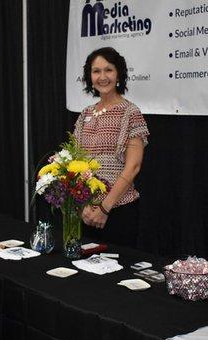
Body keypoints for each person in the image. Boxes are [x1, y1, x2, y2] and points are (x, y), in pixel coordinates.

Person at [74, 47, 150, 247]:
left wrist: (105, 208)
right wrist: (83, 206)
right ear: (89, 76)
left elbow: (133, 167)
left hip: (119, 211)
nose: (102, 76)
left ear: (119, 74)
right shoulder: (84, 114)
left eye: (108, 70)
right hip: (87, 212)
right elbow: (75, 164)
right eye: (96, 71)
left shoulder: (130, 113)